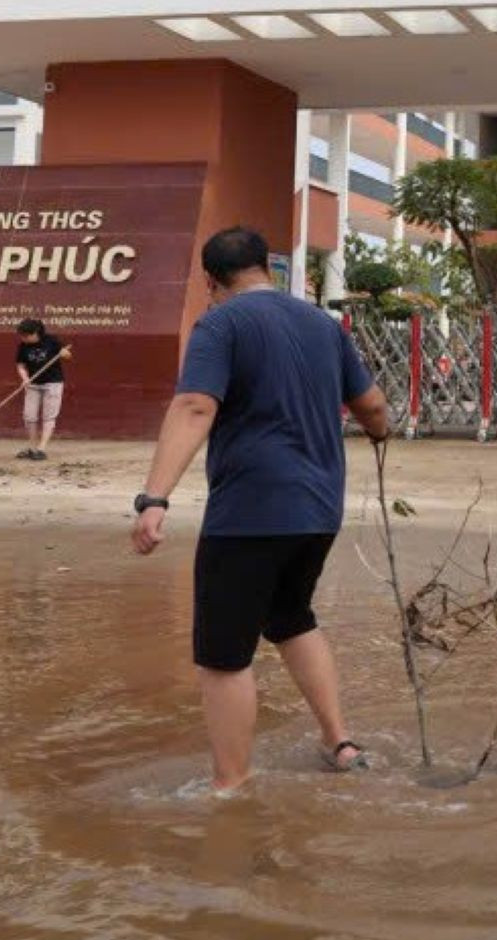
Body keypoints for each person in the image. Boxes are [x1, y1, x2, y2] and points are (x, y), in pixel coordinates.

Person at [130, 227, 391, 790]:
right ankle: (339, 743)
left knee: (223, 655)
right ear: (266, 269)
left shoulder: (219, 324)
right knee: (291, 618)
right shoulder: (324, 325)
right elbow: (372, 405)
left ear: (210, 282)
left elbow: (197, 405)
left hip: (251, 511)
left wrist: (154, 498)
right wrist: (378, 431)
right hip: (319, 510)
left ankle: (230, 787)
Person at [14, 318, 66, 461]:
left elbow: (67, 354)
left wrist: (64, 354)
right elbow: (20, 365)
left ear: (35, 333)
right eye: (21, 336)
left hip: (53, 383)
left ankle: (41, 449)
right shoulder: (23, 346)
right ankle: (32, 447)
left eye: (26, 336)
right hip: (33, 384)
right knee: (29, 416)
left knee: (49, 416)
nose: (23, 338)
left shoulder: (52, 341)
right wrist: (25, 378)